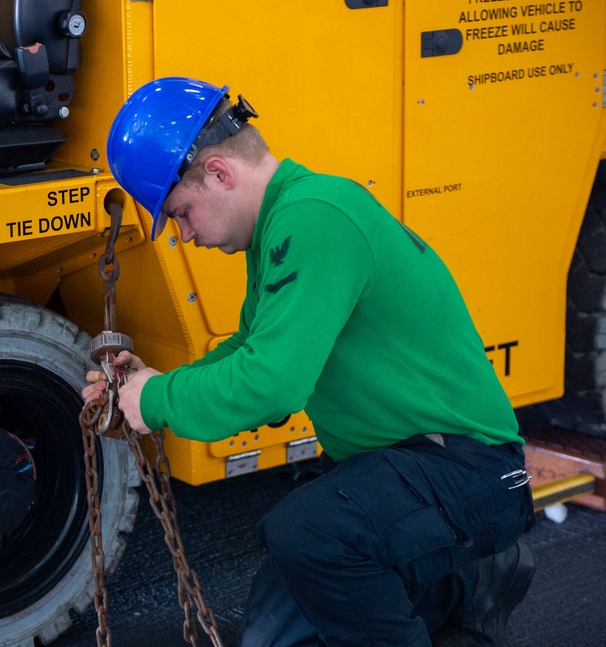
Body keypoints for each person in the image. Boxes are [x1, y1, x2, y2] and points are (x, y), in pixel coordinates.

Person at [83, 77, 536, 647]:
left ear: (220, 173)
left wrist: (153, 401)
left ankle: (469, 577)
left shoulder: (315, 216)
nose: (185, 234)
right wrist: (150, 385)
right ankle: (457, 587)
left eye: (180, 213)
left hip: (470, 471)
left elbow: (272, 385)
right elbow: (248, 352)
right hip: (402, 468)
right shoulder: (283, 224)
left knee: (310, 535)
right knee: (274, 635)